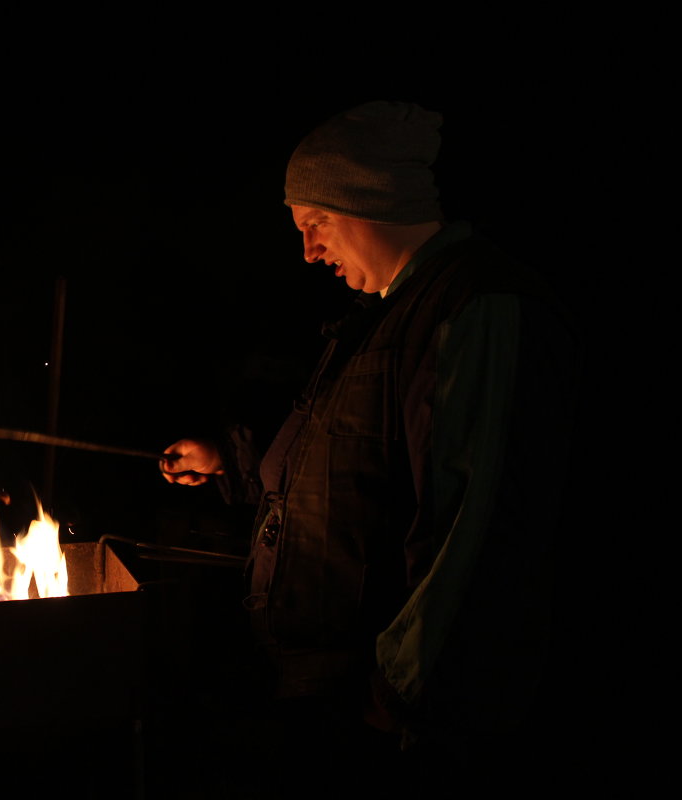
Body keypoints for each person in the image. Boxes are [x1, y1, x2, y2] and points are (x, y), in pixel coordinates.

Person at [161, 101, 578, 785]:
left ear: (368, 200)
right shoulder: (379, 320)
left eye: (314, 223)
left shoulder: (479, 309)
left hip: (397, 726)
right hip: (335, 704)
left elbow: (483, 530)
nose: (308, 250)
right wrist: (229, 467)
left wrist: (401, 692)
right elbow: (345, 465)